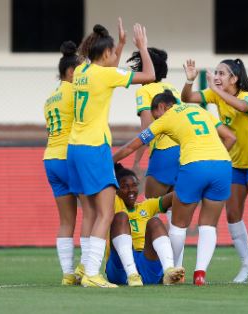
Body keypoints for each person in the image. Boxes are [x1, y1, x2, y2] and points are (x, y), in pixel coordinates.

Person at [113, 90, 236, 286]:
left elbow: (132, 146)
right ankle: (200, 275)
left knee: (178, 223)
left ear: (162, 107)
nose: (156, 120)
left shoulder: (166, 117)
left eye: (155, 115)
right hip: (222, 164)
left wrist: (110, 162)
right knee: (208, 225)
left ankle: (172, 271)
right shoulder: (200, 110)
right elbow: (230, 137)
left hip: (194, 164)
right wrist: (213, 157)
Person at [67, 20, 155, 288]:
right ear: (104, 55)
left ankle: (84, 268)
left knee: (92, 212)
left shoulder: (82, 71)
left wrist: (121, 43)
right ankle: (93, 273)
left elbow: (108, 64)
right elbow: (149, 75)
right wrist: (142, 47)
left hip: (75, 147)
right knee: (106, 212)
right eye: (112, 53)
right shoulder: (105, 75)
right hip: (94, 148)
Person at [181, 58, 248, 283]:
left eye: (222, 73)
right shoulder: (215, 94)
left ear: (235, 79)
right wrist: (189, 81)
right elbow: (187, 98)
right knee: (232, 215)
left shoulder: (246, 97)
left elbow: (242, 107)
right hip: (233, 164)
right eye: (216, 73)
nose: (217, 77)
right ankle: (247, 264)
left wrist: (214, 90)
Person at [43, 41, 95, 285]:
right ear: (72, 72)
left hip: (51, 159)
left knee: (66, 221)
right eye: (82, 70)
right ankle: (84, 268)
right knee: (91, 212)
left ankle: (66, 274)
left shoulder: (50, 98)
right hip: (70, 156)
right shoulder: (75, 92)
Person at [127, 48, 184, 267]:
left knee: (150, 211)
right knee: (176, 214)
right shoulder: (172, 89)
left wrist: (135, 161)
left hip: (163, 153)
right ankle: (177, 266)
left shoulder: (145, 90)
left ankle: (155, 265)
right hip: (183, 152)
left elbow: (147, 127)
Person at [105, 163, 185, 286]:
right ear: (116, 189)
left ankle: (169, 270)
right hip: (120, 268)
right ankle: (132, 274)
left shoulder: (146, 206)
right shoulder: (113, 203)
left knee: (155, 221)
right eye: (125, 187)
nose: (131, 190)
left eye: (134, 185)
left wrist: (191, 182)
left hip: (146, 261)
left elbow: (174, 197)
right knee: (121, 217)